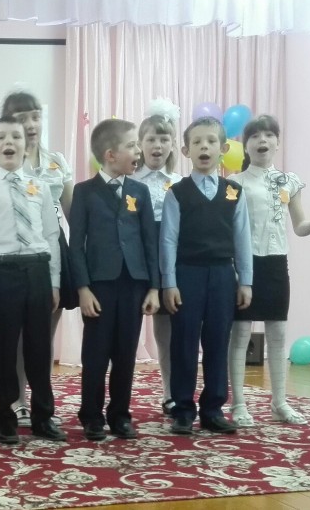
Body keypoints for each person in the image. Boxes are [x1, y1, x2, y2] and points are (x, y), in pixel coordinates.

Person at [0, 116, 65, 445]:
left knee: (40, 348)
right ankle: (6, 417)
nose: (9, 142)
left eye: (16, 137)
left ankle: (43, 416)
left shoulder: (41, 186)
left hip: (38, 271)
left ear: (26, 146)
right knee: (5, 349)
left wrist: (54, 281)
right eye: (1, 138)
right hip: (3, 272)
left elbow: (51, 236)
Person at [227, 115, 310, 427]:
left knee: (278, 334)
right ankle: (239, 405)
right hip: (245, 264)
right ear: (246, 145)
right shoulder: (235, 183)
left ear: (277, 142)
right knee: (241, 334)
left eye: (269, 135)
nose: (263, 140)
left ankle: (279, 403)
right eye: (255, 135)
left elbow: (299, 225)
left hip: (276, 263)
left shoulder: (289, 182)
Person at [160, 116, 253, 435]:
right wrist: (169, 282)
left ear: (223, 149)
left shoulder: (234, 192)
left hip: (223, 276)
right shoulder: (177, 193)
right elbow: (168, 239)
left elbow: (243, 238)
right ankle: (183, 409)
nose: (205, 147)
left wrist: (245, 280)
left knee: (217, 341)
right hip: (187, 274)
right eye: (197, 142)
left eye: (211, 141)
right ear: (186, 150)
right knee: (184, 342)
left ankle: (213, 409)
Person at [70, 119, 160, 441]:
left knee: (125, 353)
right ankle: (91, 415)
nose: (138, 151)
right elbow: (75, 245)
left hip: (133, 284)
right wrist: (82, 288)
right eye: (132, 146)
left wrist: (153, 287)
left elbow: (149, 242)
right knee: (95, 354)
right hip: (99, 287)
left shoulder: (140, 191)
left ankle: (120, 414)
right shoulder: (84, 192)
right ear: (110, 154)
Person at [0, 91, 76, 427]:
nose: (30, 124)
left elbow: (73, 214)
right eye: (21, 118)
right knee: (17, 336)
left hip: (52, 249)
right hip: (15, 252)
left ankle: (43, 401)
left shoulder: (56, 162)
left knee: (43, 336)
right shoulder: (2, 161)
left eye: (35, 116)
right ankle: (18, 400)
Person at [132, 112, 184, 417]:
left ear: (173, 144)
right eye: (151, 139)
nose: (157, 145)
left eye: (164, 139)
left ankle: (170, 393)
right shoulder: (130, 182)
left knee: (167, 331)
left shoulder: (179, 184)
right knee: (125, 331)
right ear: (140, 143)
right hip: (136, 262)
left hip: (170, 263)